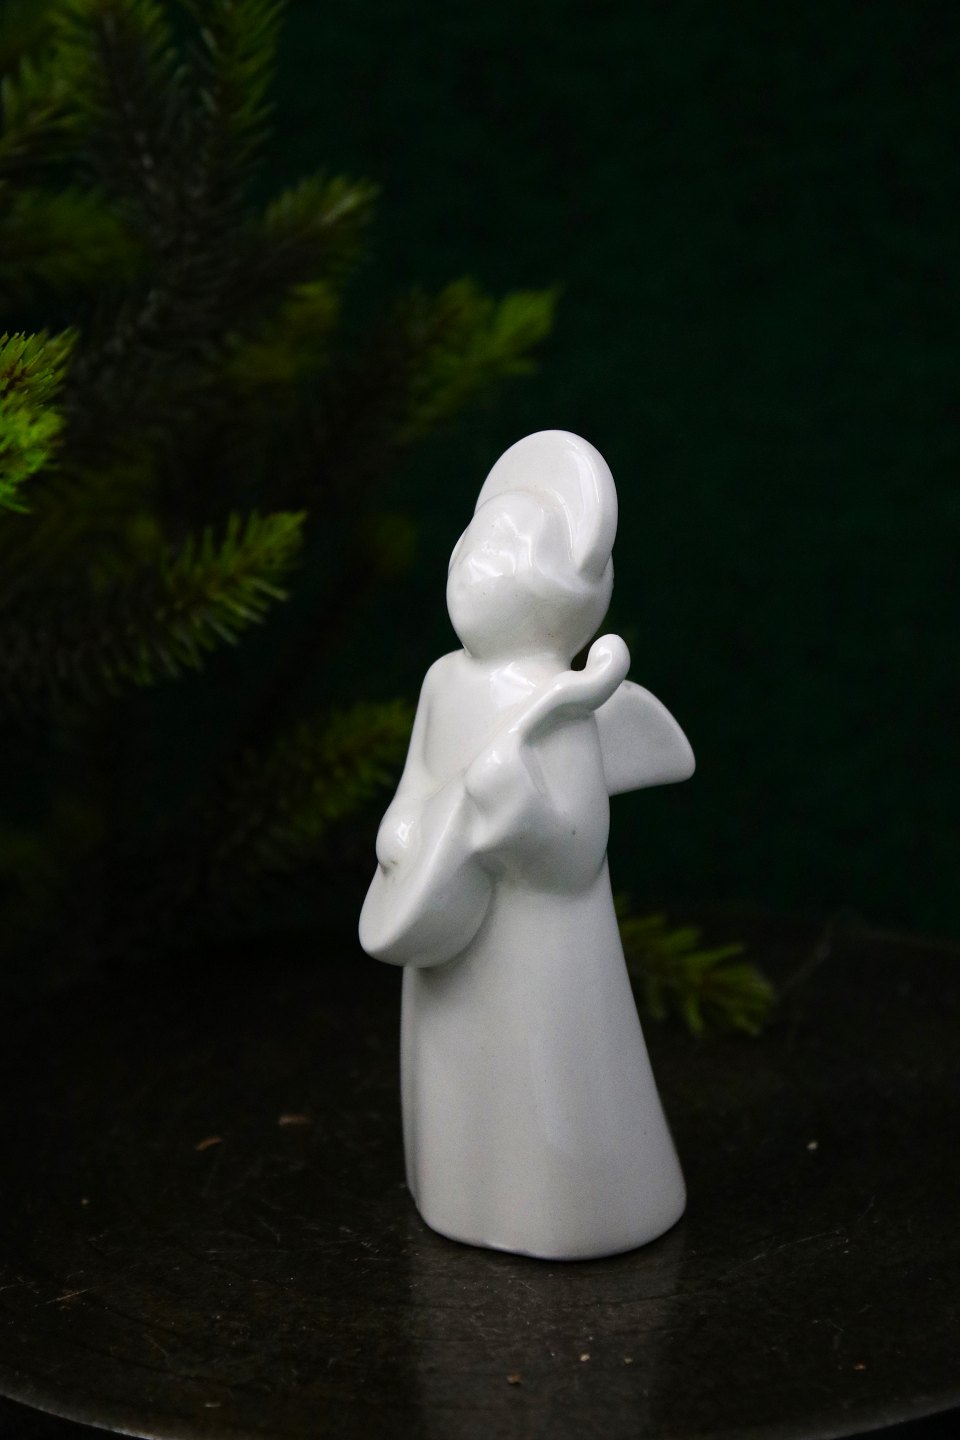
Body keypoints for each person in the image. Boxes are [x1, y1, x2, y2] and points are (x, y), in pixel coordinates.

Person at [360, 430, 694, 1259]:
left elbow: (577, 853)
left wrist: (517, 814)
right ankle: (453, 1189)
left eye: (503, 550)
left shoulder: (563, 706)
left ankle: (569, 1211)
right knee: (457, 1068)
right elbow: (417, 785)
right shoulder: (444, 682)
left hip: (540, 950)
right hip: (449, 924)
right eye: (473, 542)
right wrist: (403, 827)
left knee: (539, 1073)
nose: (472, 562)